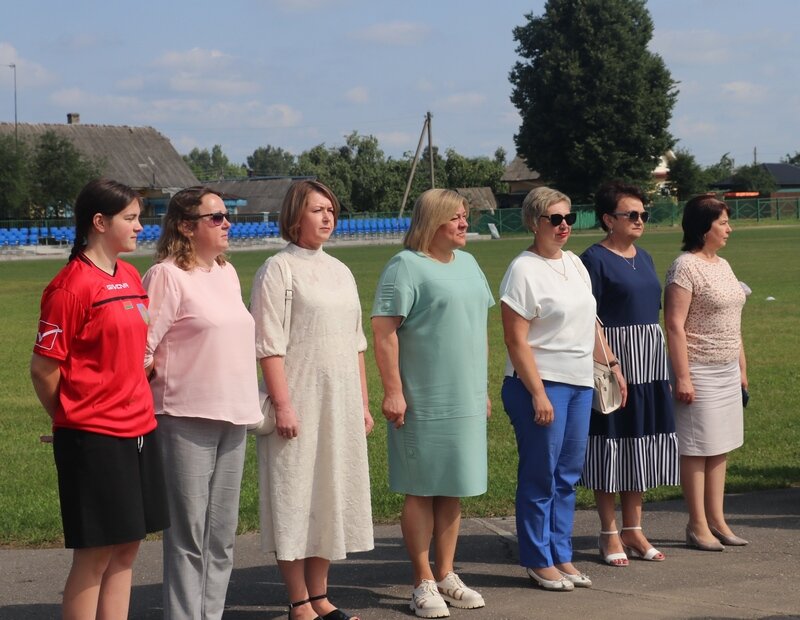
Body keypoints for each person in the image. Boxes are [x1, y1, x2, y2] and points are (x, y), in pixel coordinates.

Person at [29, 179, 169, 620]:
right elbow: (43, 369)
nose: (140, 227)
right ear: (99, 222)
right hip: (95, 437)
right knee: (95, 553)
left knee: (126, 548)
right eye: (131, 218)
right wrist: (71, 419)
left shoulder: (129, 276)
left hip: (141, 429)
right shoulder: (70, 287)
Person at [250, 180, 373, 620]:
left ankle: (321, 596)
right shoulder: (278, 269)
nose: (327, 217)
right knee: (295, 496)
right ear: (294, 215)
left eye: (331, 210)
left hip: (339, 402)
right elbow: (268, 345)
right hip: (298, 401)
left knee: (328, 494)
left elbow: (356, 343)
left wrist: (362, 404)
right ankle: (299, 601)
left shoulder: (341, 270)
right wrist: (283, 405)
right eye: (317, 209)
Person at [372, 189, 494, 619]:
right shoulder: (404, 266)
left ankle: (446, 574)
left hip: (465, 395)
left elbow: (477, 329)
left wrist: (481, 390)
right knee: (422, 487)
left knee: (453, 485)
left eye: (465, 216)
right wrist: (393, 391)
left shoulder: (470, 263)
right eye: (455, 217)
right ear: (432, 221)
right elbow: (384, 332)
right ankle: (422, 580)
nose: (464, 223)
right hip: (423, 398)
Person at [142, 187, 262, 619]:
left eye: (227, 216)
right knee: (188, 535)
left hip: (234, 414)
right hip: (185, 417)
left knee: (222, 535)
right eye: (216, 217)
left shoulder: (226, 272)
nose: (227, 223)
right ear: (186, 226)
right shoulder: (166, 275)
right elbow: (141, 347)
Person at [499, 186, 627, 592]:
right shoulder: (523, 270)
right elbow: (515, 339)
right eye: (555, 219)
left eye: (569, 218)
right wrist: (537, 392)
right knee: (540, 475)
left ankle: (561, 553)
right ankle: (538, 560)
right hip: (539, 384)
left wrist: (611, 365)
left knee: (567, 475)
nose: (564, 226)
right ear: (534, 222)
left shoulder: (574, 263)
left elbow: (591, 322)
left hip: (579, 383)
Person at [579, 181, 680, 566]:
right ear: (609, 219)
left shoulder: (646, 257)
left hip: (649, 361)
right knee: (611, 442)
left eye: (643, 214)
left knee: (639, 441)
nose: (640, 220)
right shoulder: (593, 259)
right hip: (615, 359)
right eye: (631, 214)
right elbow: (589, 318)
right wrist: (610, 364)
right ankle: (608, 531)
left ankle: (634, 528)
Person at [664, 194, 749, 551]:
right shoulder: (684, 267)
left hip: (727, 368)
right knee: (697, 448)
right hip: (698, 369)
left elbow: (733, 321)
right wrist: (683, 376)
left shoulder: (723, 264)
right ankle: (697, 525)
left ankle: (718, 520)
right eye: (723, 223)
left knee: (720, 446)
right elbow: (674, 324)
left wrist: (741, 367)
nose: (729, 229)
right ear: (703, 227)